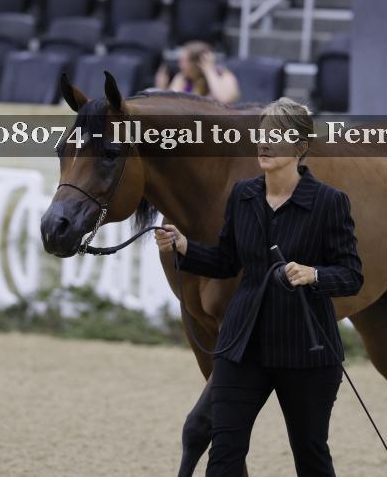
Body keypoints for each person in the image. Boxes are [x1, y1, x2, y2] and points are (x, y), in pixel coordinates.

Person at [154, 98, 364, 477]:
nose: (265, 143)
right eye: (263, 134)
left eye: (277, 135)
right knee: (224, 457)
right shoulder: (243, 195)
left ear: (300, 148)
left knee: (311, 457)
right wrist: (185, 248)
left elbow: (351, 276)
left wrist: (314, 275)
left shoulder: (329, 203)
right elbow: (226, 262)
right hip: (242, 348)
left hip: (307, 352)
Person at [154, 41, 241, 104]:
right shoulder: (182, 79)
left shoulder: (224, 76)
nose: (179, 65)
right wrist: (162, 88)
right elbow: (170, 104)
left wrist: (209, 70)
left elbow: (224, 99)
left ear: (197, 63)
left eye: (183, 61)